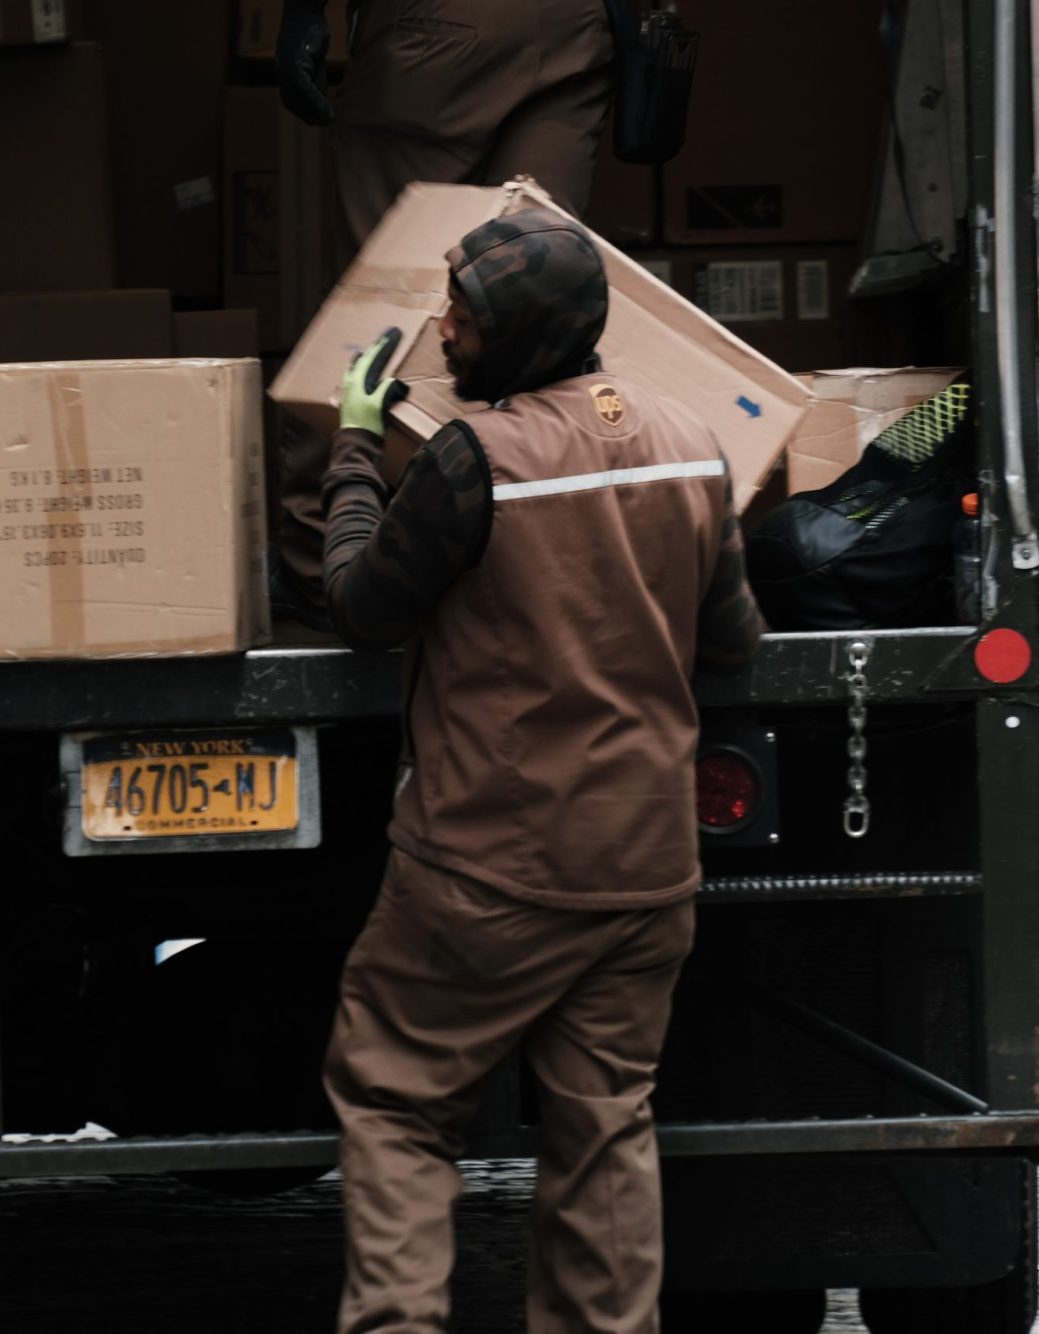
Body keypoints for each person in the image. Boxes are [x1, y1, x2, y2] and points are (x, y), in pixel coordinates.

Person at [318, 209, 764, 1333]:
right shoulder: (691, 440)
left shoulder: (474, 461)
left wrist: (355, 446)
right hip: (645, 874)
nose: (445, 334)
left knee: (394, 1097)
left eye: (461, 316)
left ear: (518, 333)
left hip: (486, 865)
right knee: (603, 1122)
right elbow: (733, 642)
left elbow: (362, 605)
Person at [271, 0, 620, 626]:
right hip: (582, 24)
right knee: (530, 292)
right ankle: (503, 554)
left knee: (381, 289)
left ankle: (315, 563)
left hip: (443, 27)